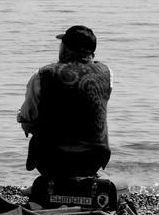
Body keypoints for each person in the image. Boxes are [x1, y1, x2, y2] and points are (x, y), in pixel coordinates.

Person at [17, 24, 112, 181]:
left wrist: (25, 121)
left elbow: (28, 118)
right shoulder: (106, 73)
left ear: (66, 49)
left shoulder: (43, 74)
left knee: (27, 119)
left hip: (52, 161)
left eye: (61, 45)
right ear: (91, 53)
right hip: (92, 161)